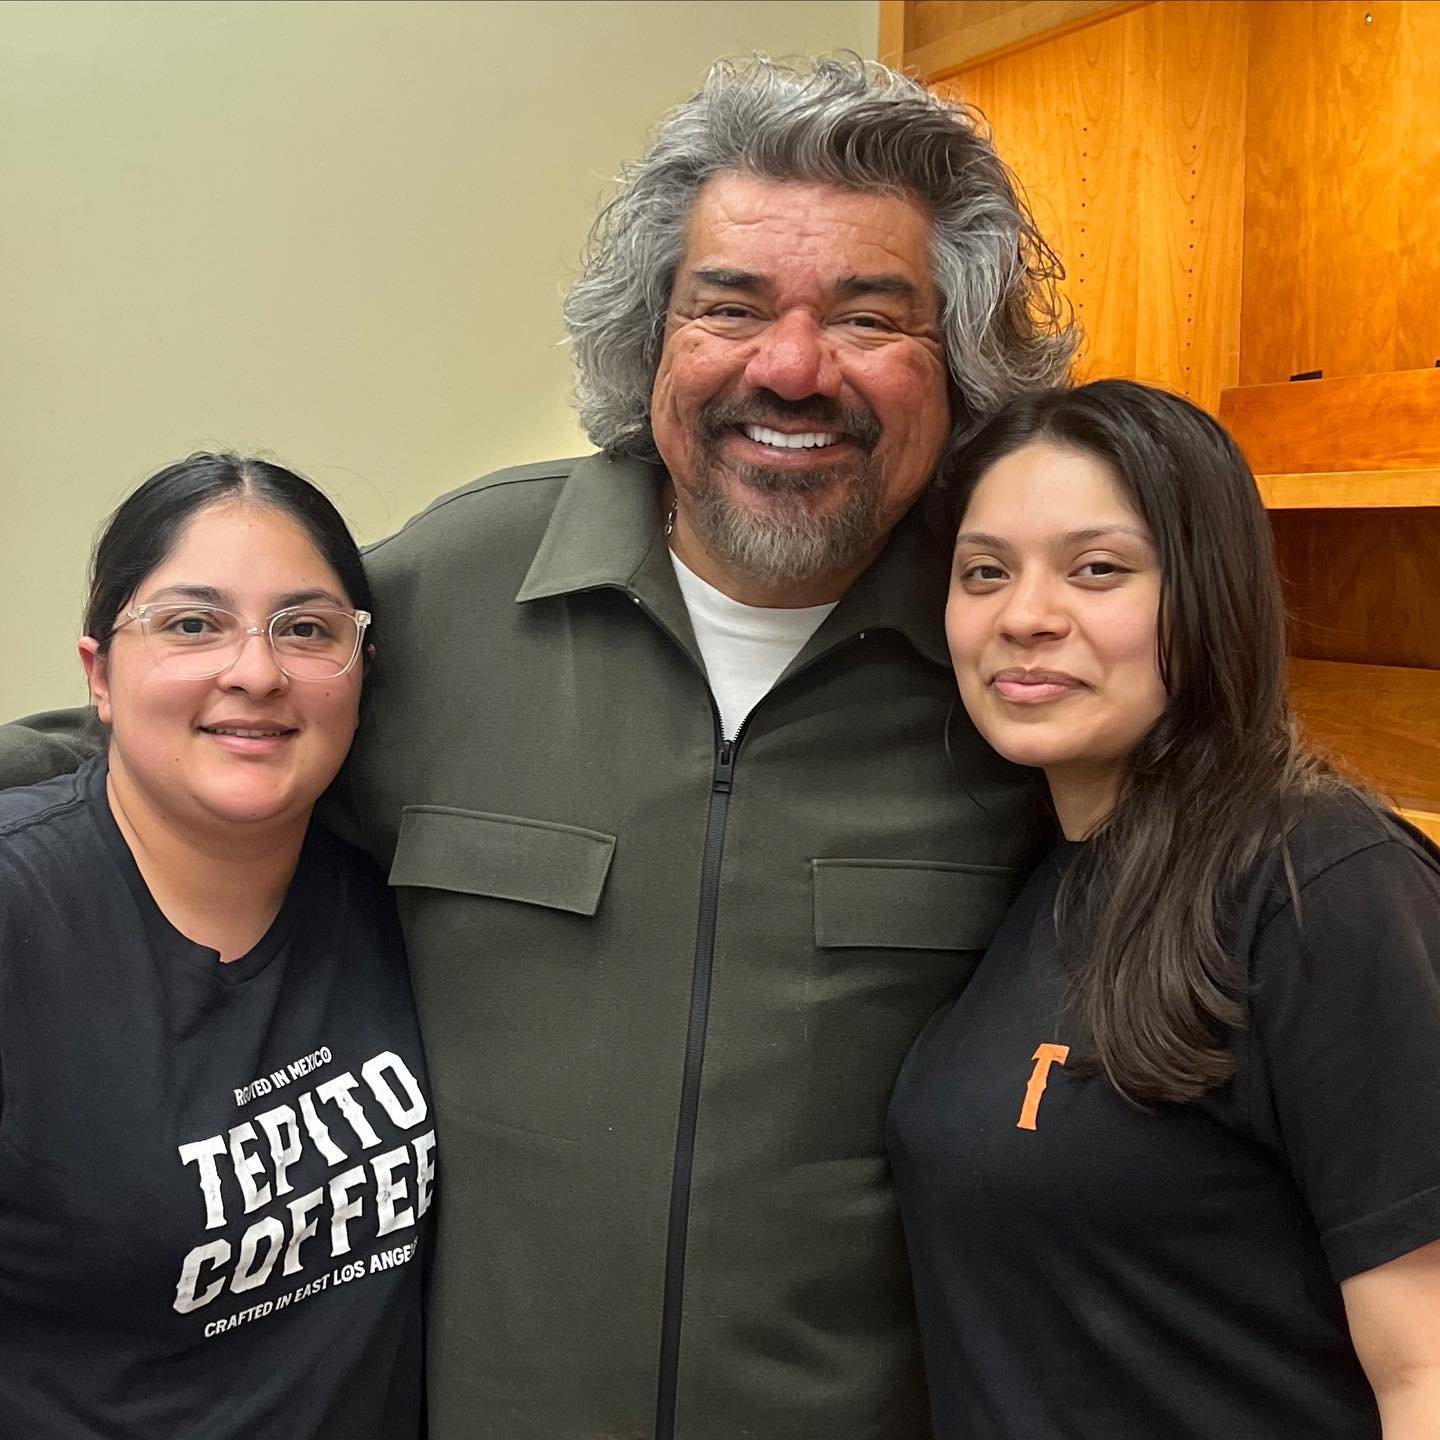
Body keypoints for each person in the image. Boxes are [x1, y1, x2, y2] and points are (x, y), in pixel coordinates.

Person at [2, 57, 1073, 1436]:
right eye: (729, 307)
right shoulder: (463, 587)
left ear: (964, 366)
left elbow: (1204, 848)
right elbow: (193, 719)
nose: (791, 368)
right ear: (654, 339)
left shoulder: (1004, 655)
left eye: (871, 317)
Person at [887, 380, 1440, 1438]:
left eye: (1098, 570)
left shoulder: (1319, 883)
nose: (1027, 617)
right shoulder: (1040, 877)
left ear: (1207, 591)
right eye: (984, 572)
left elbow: (1428, 1374)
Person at [0, 455, 433, 1439]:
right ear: (99, 675)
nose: (255, 671)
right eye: (192, 624)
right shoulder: (19, 913)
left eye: (307, 629)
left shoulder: (389, 900)